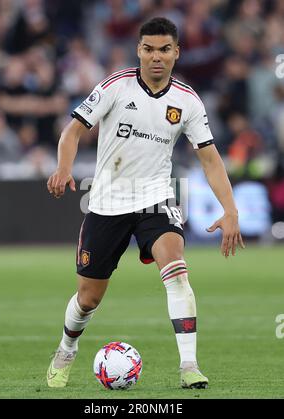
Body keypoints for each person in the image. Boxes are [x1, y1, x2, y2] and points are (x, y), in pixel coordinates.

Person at [46, 17, 245, 390]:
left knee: (177, 268)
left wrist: (230, 209)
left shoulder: (187, 101)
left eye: (165, 50)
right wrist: (63, 168)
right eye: (150, 49)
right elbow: (73, 130)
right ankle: (67, 347)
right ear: (139, 50)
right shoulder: (115, 87)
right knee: (88, 299)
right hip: (105, 203)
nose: (157, 57)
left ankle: (189, 366)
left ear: (176, 53)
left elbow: (210, 158)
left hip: (155, 199)